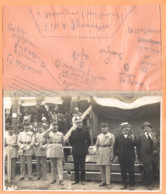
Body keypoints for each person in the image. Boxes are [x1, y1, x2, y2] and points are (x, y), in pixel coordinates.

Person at [136, 122, 159, 190]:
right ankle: (149, 184)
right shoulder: (140, 136)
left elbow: (160, 144)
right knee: (149, 170)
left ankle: (151, 182)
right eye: (145, 128)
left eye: (148, 128)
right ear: (143, 129)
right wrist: (139, 157)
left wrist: (157, 151)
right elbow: (138, 147)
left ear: (151, 128)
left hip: (155, 156)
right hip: (145, 156)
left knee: (154, 169)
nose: (146, 129)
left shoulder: (155, 135)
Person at [69, 117, 91, 185]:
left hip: (82, 151)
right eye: (77, 123)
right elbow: (71, 141)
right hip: (75, 151)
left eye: (80, 123)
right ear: (75, 124)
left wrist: (84, 147)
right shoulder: (73, 132)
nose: (79, 124)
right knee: (76, 166)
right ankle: (76, 180)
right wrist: (75, 146)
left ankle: (83, 180)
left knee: (82, 166)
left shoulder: (85, 131)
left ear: (82, 123)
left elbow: (89, 141)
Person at [114, 122, 135, 190]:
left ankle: (131, 185)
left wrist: (133, 139)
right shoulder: (118, 137)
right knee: (123, 171)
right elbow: (115, 147)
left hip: (130, 157)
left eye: (128, 127)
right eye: (125, 127)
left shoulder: (132, 136)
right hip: (122, 158)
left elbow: (136, 144)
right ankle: (124, 184)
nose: (126, 129)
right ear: (122, 129)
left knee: (131, 171)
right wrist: (116, 156)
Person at [43, 120, 65, 185]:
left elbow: (63, 143)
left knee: (60, 165)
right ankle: (53, 179)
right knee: (53, 166)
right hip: (52, 149)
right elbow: (44, 135)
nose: (55, 127)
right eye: (54, 125)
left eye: (56, 125)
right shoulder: (49, 133)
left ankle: (61, 179)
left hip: (59, 149)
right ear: (51, 126)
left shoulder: (61, 134)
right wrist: (49, 129)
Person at [95, 122, 115, 189]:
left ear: (107, 128)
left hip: (108, 151)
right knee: (101, 168)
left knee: (107, 168)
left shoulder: (111, 135)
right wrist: (96, 151)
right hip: (101, 152)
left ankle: (108, 183)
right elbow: (97, 144)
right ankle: (103, 181)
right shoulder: (99, 136)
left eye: (105, 127)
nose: (104, 128)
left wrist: (112, 155)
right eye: (102, 127)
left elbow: (113, 146)